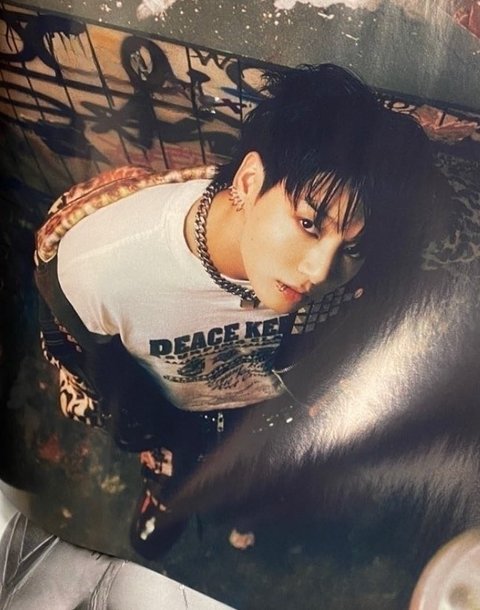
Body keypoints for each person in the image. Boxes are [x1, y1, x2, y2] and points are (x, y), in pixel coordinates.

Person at [34, 63, 437, 559]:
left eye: (350, 248)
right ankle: (168, 500)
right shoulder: (98, 268)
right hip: (174, 412)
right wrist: (141, 429)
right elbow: (93, 371)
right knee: (179, 471)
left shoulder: (357, 276)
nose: (318, 271)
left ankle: (244, 509)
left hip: (268, 411)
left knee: (256, 481)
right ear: (248, 182)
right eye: (308, 224)